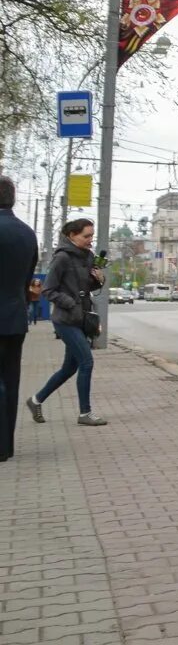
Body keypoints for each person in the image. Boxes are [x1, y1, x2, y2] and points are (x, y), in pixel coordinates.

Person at [27, 218, 107, 426]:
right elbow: (48, 290)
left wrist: (98, 279)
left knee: (69, 368)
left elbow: (86, 287)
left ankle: (36, 400)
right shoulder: (62, 258)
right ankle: (84, 413)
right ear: (72, 236)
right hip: (65, 320)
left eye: (92, 235)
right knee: (87, 362)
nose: (91, 240)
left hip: (81, 318)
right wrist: (70, 303)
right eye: (86, 236)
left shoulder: (88, 257)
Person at [0, 176, 40, 462]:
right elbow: (27, 278)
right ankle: (6, 446)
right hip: (15, 318)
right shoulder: (26, 233)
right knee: (11, 381)